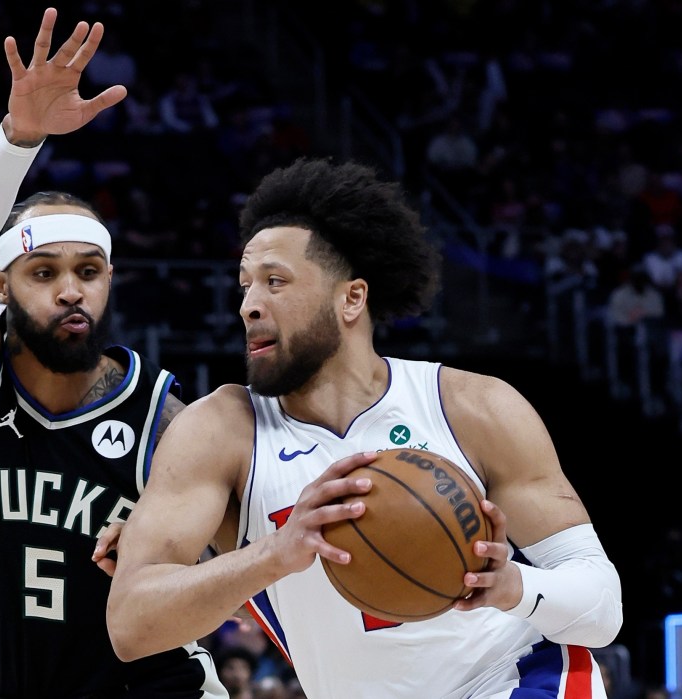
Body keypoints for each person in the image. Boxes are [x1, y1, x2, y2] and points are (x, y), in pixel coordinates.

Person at [106, 157, 624, 698]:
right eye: (245, 286)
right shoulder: (220, 429)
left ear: (352, 297)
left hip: (513, 681)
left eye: (274, 282)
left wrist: (513, 584)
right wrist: (275, 552)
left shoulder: (474, 407)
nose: (248, 306)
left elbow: (602, 610)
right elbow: (131, 626)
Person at [0, 9, 224, 698]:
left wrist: (170, 558)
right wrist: (18, 141)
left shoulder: (164, 416)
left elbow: (239, 567)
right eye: (43, 272)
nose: (70, 291)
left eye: (88, 271)